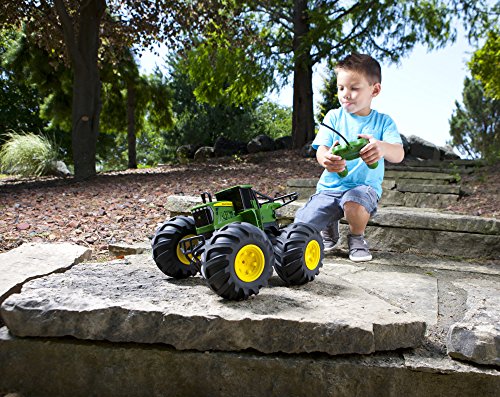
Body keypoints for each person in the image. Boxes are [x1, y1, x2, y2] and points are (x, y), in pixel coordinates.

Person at [295, 53, 404, 262]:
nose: (346, 94)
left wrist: (380, 147)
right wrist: (326, 158)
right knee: (303, 221)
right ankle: (328, 226)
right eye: (341, 88)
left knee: (353, 201)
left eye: (354, 88)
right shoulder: (333, 117)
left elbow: (398, 154)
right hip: (330, 186)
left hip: (363, 189)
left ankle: (356, 237)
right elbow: (321, 148)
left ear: (375, 90)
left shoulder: (383, 122)